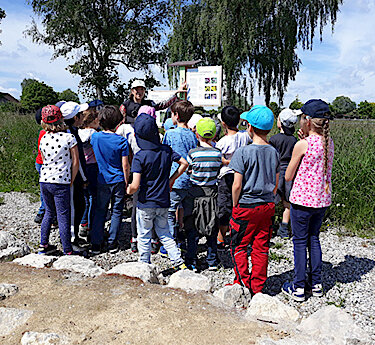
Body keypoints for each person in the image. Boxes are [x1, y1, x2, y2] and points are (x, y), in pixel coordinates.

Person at [282, 99, 334, 302]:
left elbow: (288, 175)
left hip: (302, 201)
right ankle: (317, 283)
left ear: (308, 120)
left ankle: (299, 286)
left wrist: (300, 143)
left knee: (299, 242)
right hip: (321, 201)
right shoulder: (328, 143)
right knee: (314, 239)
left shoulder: (302, 144)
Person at [229, 105, 280, 295]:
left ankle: (242, 282)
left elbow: (236, 185)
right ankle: (258, 287)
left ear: (249, 127)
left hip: (246, 205)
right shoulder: (274, 152)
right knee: (261, 246)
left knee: (239, 245)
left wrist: (235, 204)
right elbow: (275, 183)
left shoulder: (243, 152)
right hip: (267, 205)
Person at [126, 113, 188, 269]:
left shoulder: (140, 157)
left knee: (144, 235)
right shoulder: (166, 151)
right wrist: (172, 179)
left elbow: (135, 185)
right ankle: (178, 262)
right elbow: (184, 163)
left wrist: (127, 190)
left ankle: (144, 265)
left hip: (145, 203)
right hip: (163, 201)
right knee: (165, 233)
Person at [38, 105, 79, 255]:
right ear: (61, 119)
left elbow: (42, 158)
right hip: (61, 180)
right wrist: (72, 180)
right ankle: (67, 249)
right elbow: (75, 162)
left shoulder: (43, 137)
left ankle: (43, 244)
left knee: (49, 212)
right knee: (63, 215)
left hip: (45, 179)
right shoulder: (69, 137)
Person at [90, 105, 130, 255]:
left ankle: (95, 243)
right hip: (118, 179)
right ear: (118, 122)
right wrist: (126, 181)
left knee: (100, 210)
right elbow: (125, 165)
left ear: (100, 121)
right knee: (116, 211)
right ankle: (112, 242)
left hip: (102, 179)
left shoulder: (95, 137)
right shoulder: (121, 141)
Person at [184, 118, 222, 271]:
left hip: (194, 194)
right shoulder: (218, 154)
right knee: (212, 227)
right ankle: (212, 260)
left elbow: (188, 170)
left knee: (192, 229)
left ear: (197, 134)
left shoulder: (193, 153)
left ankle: (191, 260)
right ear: (214, 135)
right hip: (212, 193)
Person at [162, 100, 197, 251]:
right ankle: (186, 245)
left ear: (175, 115)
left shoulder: (170, 133)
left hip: (173, 178)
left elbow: (165, 153)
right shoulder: (192, 136)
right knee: (186, 213)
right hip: (189, 179)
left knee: (169, 213)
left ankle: (169, 247)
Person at [215, 106, 251, 248]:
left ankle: (221, 237)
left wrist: (226, 161)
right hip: (241, 175)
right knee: (239, 205)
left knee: (224, 207)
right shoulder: (244, 136)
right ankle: (239, 235)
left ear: (223, 123)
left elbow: (219, 159)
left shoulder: (221, 142)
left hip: (225, 176)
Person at [60, 101, 89, 248]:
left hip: (74, 176)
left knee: (79, 206)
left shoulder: (73, 131)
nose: (84, 116)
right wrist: (84, 178)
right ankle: (70, 240)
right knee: (73, 208)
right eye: (81, 114)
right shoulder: (70, 135)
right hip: (73, 177)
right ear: (75, 117)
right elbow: (77, 160)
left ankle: (74, 235)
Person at [269, 108, 299, 238]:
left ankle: (269, 227)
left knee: (272, 201)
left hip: (276, 171)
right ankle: (284, 228)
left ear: (279, 122)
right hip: (290, 173)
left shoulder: (274, 139)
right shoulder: (294, 140)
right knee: (287, 203)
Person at [119, 79, 186, 126]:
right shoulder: (125, 105)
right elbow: (120, 122)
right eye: (137, 89)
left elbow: (163, 104)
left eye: (142, 89)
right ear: (132, 91)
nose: (139, 92)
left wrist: (177, 93)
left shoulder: (149, 104)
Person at [78, 108, 100, 239]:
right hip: (92, 167)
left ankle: (82, 222)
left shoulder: (78, 133)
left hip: (81, 167)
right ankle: (90, 224)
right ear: (93, 121)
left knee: (84, 196)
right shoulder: (94, 134)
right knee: (93, 196)